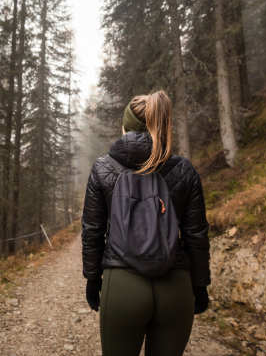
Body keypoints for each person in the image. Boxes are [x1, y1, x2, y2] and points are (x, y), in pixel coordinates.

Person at [81, 91, 211, 356]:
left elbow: (93, 232)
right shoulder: (184, 169)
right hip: (175, 285)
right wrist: (199, 284)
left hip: (122, 285)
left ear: (124, 128)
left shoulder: (102, 168)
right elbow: (196, 234)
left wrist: (93, 280)